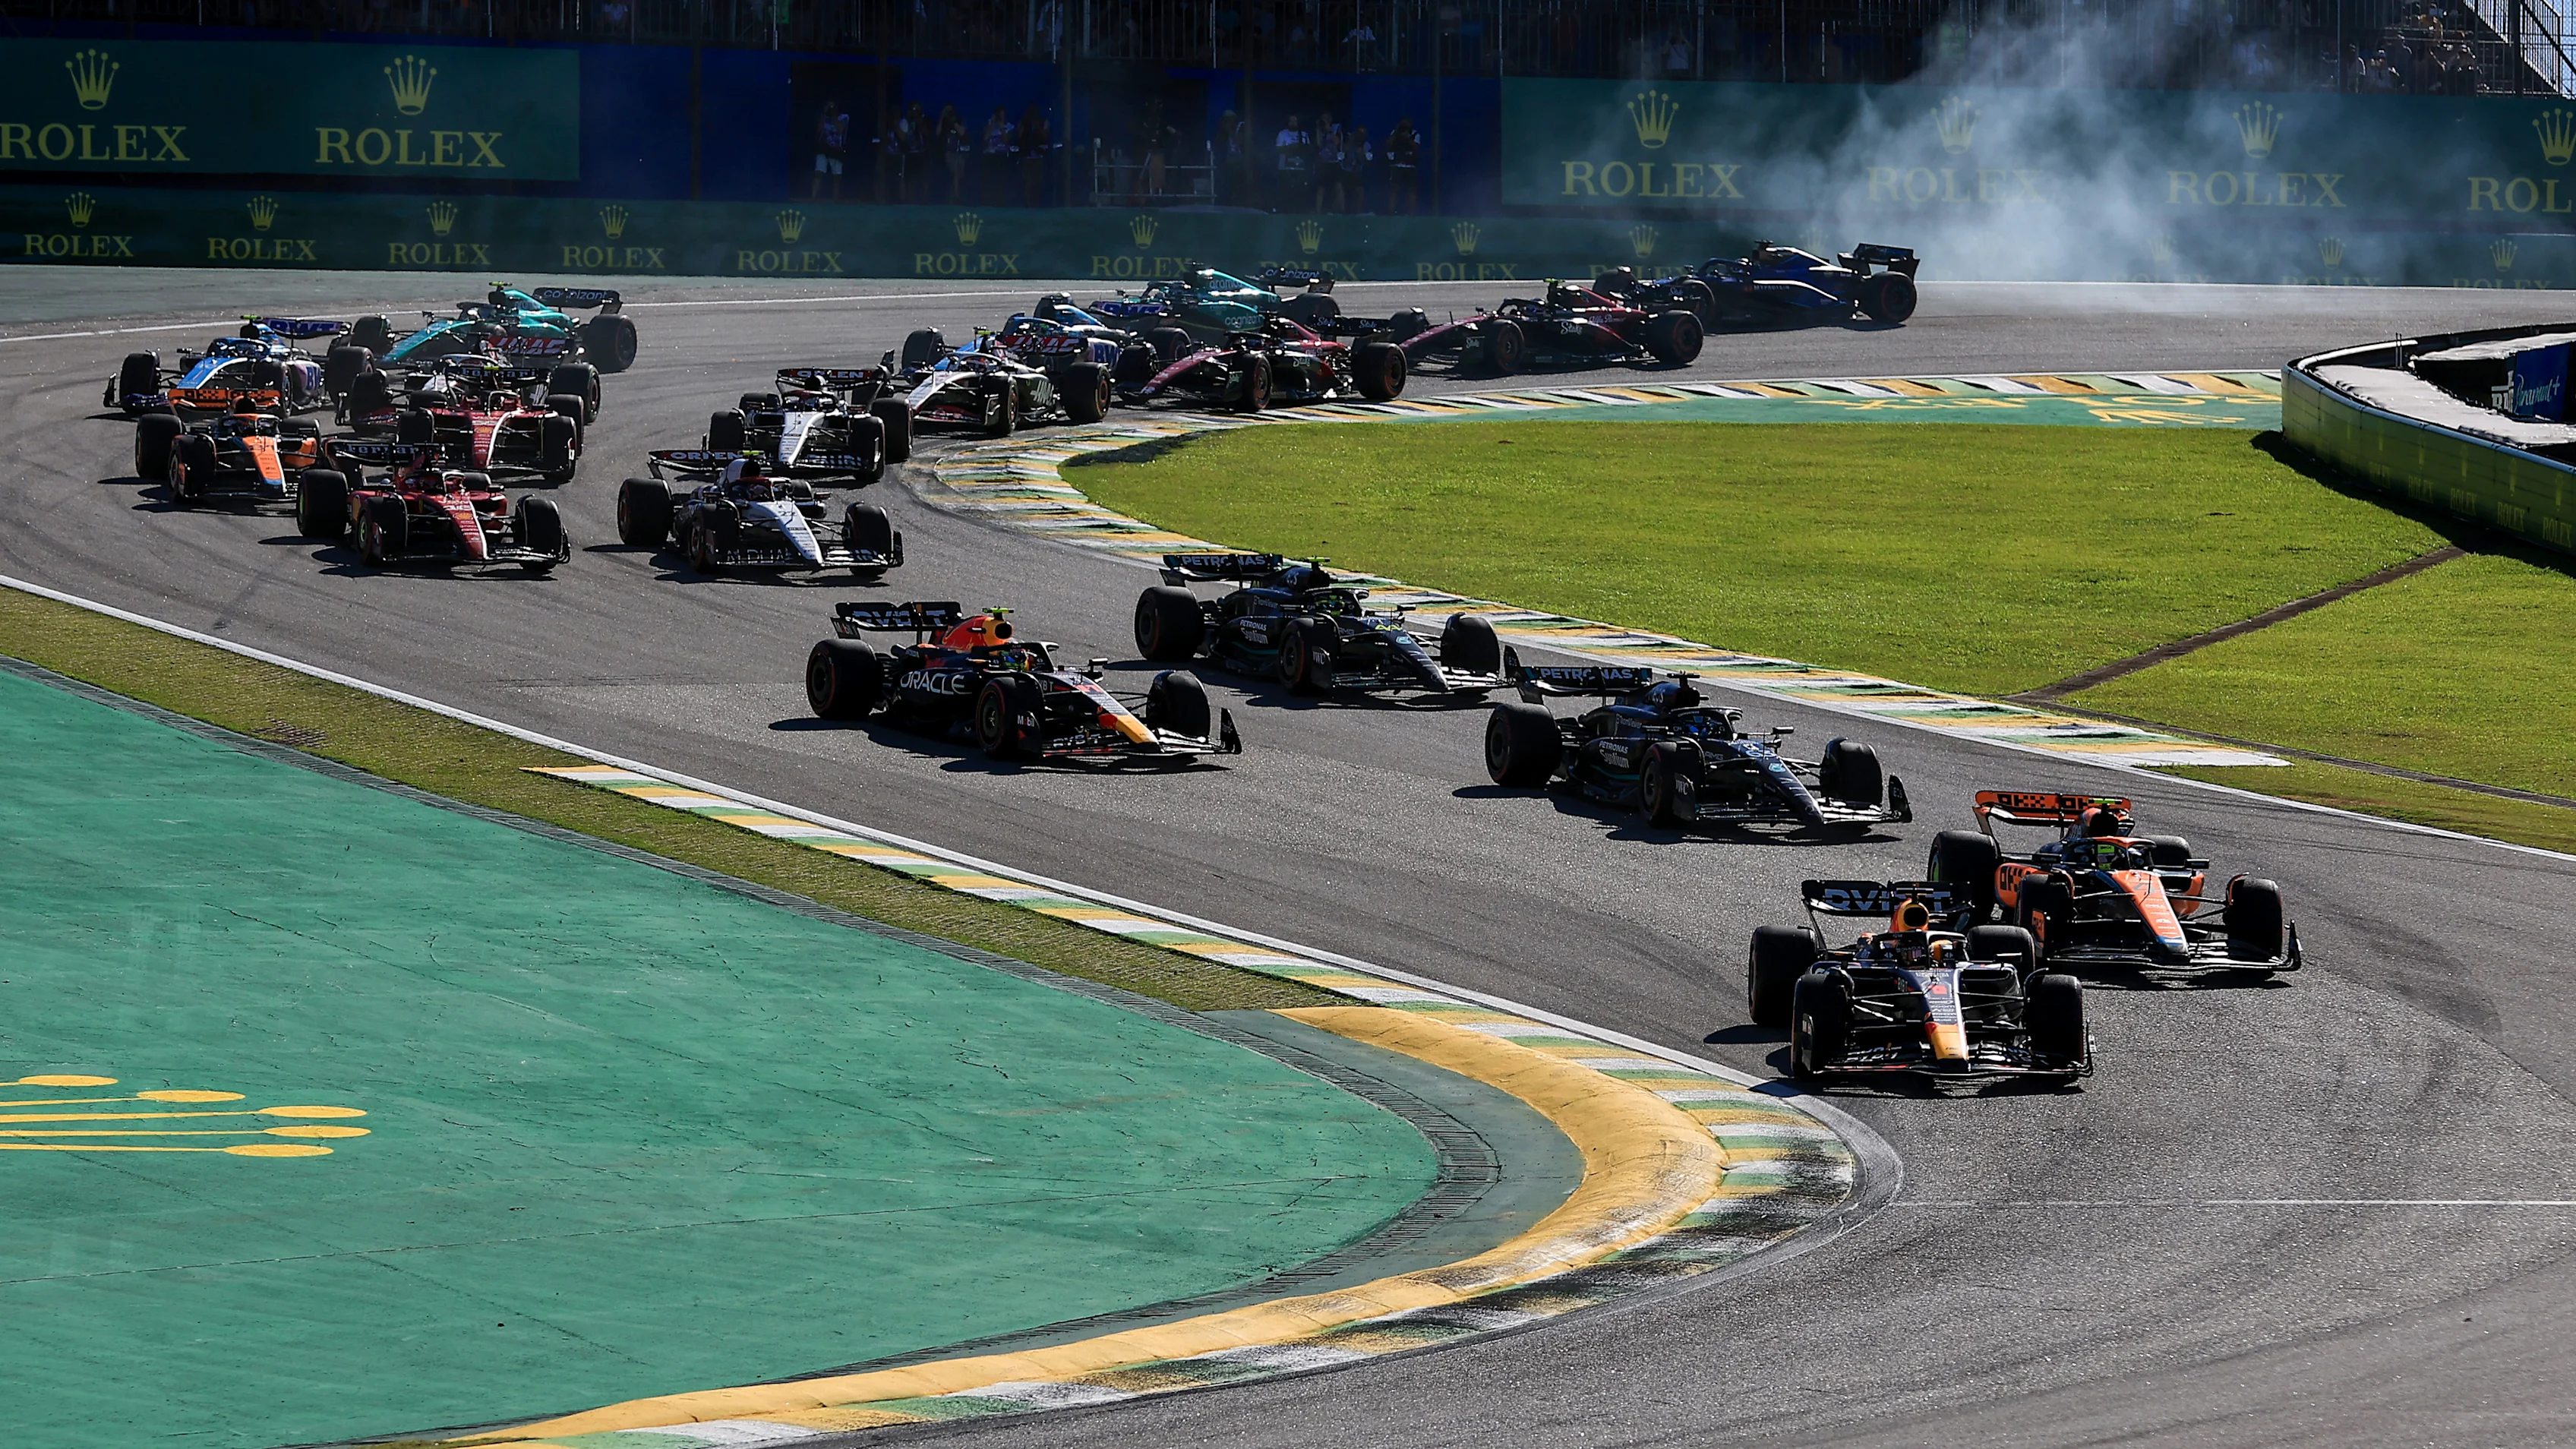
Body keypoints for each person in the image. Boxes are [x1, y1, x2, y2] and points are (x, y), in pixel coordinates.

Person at [811, 96, 850, 200]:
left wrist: (833, 116)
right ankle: (813, 197)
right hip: (823, 148)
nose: (831, 108)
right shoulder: (824, 117)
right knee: (818, 173)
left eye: (833, 106)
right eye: (829, 106)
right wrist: (824, 115)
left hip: (837, 149)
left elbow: (841, 130)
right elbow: (819, 130)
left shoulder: (844, 117)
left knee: (837, 177)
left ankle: (835, 199)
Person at [1273, 112, 1309, 213]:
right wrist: (1293, 147)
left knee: (1299, 191)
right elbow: (1279, 149)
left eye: (1295, 121)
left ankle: (1298, 211)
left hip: (1300, 168)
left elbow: (1308, 150)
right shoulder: (1282, 134)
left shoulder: (1304, 135)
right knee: (1285, 191)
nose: (1293, 123)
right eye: (1291, 121)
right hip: (1285, 168)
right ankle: (1284, 211)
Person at [980, 106, 1015, 205]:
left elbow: (1006, 140)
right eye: (999, 115)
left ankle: (1001, 202)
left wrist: (1001, 126)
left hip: (1002, 156)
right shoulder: (989, 126)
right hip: (990, 156)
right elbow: (985, 138)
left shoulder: (1009, 126)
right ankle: (988, 201)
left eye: (1002, 115)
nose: (1001, 117)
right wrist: (992, 125)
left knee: (1001, 180)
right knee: (989, 179)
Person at [1018, 106, 1050, 206]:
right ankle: (1027, 203)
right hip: (1027, 154)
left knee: (1038, 181)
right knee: (1028, 181)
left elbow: (1045, 136)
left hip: (1039, 155)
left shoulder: (1044, 121)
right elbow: (1019, 135)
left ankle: (1037, 202)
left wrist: (1038, 127)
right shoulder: (1024, 121)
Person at [1386, 118, 1419, 215]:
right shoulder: (1395, 133)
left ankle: (1411, 213)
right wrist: (1397, 132)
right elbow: (1388, 144)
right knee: (1394, 189)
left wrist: (1407, 137)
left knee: (1412, 190)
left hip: (1410, 166)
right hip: (1397, 166)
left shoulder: (1415, 134)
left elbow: (1416, 147)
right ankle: (1391, 212)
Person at [937, 104, 969, 204]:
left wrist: (952, 121)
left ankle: (952, 197)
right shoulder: (944, 122)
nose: (948, 112)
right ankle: (957, 198)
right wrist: (942, 118)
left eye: (949, 110)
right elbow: (937, 133)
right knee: (955, 173)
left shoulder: (960, 120)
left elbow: (962, 132)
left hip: (960, 152)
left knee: (960, 175)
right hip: (949, 153)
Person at [899, 101, 930, 204]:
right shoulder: (905, 122)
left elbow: (927, 134)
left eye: (917, 110)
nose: (915, 112)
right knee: (909, 179)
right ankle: (909, 200)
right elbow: (903, 138)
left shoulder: (925, 120)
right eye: (913, 109)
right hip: (910, 154)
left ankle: (925, 200)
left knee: (924, 177)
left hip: (923, 153)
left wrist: (919, 121)